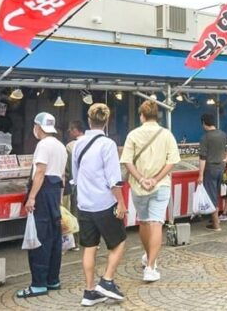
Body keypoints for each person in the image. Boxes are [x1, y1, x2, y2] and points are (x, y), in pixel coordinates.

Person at [72, 103, 127, 306]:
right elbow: (114, 179)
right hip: (104, 202)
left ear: (88, 119)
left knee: (89, 247)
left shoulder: (78, 143)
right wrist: (121, 203)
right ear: (107, 120)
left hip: (84, 203)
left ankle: (89, 291)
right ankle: (107, 280)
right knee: (119, 241)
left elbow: (75, 176)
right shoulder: (108, 144)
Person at [121, 99, 180, 283]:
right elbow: (172, 161)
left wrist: (140, 178)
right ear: (157, 116)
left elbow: (127, 161)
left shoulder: (133, 135)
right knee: (156, 223)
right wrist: (155, 179)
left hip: (139, 186)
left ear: (142, 116)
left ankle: (149, 258)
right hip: (160, 185)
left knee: (144, 222)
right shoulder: (167, 134)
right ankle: (150, 266)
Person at [17, 113, 67, 298]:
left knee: (39, 239)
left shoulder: (43, 145)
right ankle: (53, 279)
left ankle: (38, 284)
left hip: (43, 193)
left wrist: (31, 197)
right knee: (54, 239)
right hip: (54, 194)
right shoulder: (61, 146)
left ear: (38, 127)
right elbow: (62, 176)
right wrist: (60, 201)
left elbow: (39, 172)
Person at [197, 114, 227, 231]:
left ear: (204, 123)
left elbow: (202, 158)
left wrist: (200, 175)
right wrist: (226, 158)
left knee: (212, 196)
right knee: (216, 194)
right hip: (221, 168)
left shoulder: (205, 138)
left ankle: (216, 224)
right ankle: (215, 221)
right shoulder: (222, 134)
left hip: (210, 169)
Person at [62, 120, 85, 250]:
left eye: (71, 130)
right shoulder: (92, 142)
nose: (69, 132)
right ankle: (93, 241)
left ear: (76, 130)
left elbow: (68, 169)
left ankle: (75, 243)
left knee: (74, 212)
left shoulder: (70, 146)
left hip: (74, 184)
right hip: (89, 184)